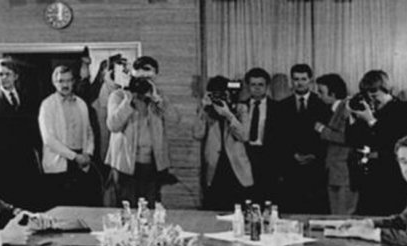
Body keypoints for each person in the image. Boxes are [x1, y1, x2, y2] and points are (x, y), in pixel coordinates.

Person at [104, 55, 177, 207]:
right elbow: (113, 125)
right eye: (140, 76)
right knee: (126, 211)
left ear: (155, 76)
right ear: (133, 74)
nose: (143, 82)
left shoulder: (158, 97)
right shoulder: (118, 96)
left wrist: (157, 100)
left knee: (149, 211)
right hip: (124, 165)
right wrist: (128, 101)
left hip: (151, 165)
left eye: (148, 76)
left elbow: (175, 119)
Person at [347, 69, 407, 216]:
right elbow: (352, 141)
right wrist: (352, 119)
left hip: (393, 178)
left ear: (388, 90)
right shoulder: (369, 111)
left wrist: (372, 121)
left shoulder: (405, 109)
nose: (372, 100)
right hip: (369, 180)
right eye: (367, 96)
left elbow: (400, 142)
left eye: (375, 95)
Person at [0, 58, 43, 210]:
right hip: (4, 165)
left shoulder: (28, 98)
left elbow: (35, 131)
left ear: (16, 76)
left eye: (8, 74)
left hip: (27, 163)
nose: (4, 78)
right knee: (9, 207)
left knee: (29, 204)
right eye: (0, 74)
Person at [37, 65, 99, 208]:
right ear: (54, 83)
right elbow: (48, 139)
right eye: (60, 81)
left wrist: (88, 153)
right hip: (60, 162)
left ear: (73, 82)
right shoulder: (48, 105)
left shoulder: (81, 103)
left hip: (81, 162)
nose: (65, 85)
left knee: (81, 206)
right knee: (61, 209)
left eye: (68, 80)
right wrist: (73, 156)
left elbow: (89, 132)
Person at [272, 63, 330, 213]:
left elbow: (327, 136)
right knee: (291, 208)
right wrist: (292, 155)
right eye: (296, 79)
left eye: (303, 79)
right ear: (291, 81)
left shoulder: (323, 105)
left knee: (314, 209)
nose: (299, 83)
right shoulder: (281, 106)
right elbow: (278, 138)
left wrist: (314, 155)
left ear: (310, 80)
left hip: (316, 167)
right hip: (290, 167)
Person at [193, 75, 253, 210]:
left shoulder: (240, 109)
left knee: (239, 208)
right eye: (215, 94)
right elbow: (197, 134)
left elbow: (244, 136)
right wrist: (203, 109)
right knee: (214, 207)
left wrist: (229, 115)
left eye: (222, 93)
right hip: (214, 165)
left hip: (236, 165)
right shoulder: (207, 111)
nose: (219, 97)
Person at [314, 73, 357, 215]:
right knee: (336, 214)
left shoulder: (347, 107)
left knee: (343, 214)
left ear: (333, 93)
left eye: (321, 92)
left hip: (344, 170)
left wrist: (323, 130)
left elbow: (348, 137)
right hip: (334, 170)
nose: (318, 96)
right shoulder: (333, 109)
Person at [241, 67, 274, 203]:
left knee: (267, 196)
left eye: (261, 85)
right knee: (247, 196)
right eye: (253, 85)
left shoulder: (278, 107)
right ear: (248, 86)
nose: (257, 88)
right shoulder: (240, 107)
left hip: (268, 156)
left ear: (267, 86)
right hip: (245, 154)